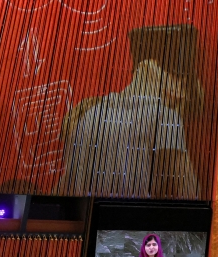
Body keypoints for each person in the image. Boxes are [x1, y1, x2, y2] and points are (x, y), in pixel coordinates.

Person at [59, 24, 204, 199]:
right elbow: (189, 194)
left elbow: (62, 189)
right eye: (179, 78)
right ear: (150, 67)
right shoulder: (165, 117)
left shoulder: (88, 113)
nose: (182, 92)